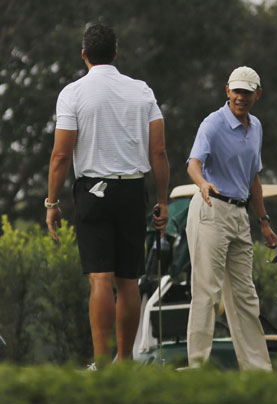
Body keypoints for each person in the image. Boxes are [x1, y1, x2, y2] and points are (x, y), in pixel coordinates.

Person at [45, 24, 170, 367]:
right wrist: (162, 201)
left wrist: (52, 203)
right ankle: (124, 363)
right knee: (128, 281)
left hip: (94, 191)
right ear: (116, 54)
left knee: (101, 278)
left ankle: (101, 365)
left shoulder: (73, 93)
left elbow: (60, 155)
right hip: (132, 189)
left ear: (83, 54)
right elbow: (158, 152)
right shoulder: (142, 90)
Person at [185, 66, 277, 370]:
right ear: (227, 91)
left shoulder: (257, 127)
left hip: (239, 214)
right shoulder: (212, 124)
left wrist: (263, 221)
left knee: (245, 297)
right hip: (211, 208)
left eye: (247, 93)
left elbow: (253, 178)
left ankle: (258, 373)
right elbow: (194, 163)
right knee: (207, 293)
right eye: (236, 91)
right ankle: (198, 368)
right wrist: (202, 183)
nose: (241, 97)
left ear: (257, 95)